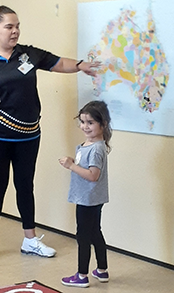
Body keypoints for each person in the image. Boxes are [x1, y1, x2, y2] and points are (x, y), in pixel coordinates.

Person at [0, 0, 100, 262]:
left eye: (17, 27)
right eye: (9, 27)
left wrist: (81, 65)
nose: (15, 32)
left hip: (28, 134)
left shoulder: (28, 54)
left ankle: (30, 240)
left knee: (25, 184)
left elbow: (57, 63)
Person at [59, 100, 112, 288]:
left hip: (88, 198)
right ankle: (102, 270)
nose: (85, 126)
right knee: (95, 232)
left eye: (90, 122)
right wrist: (75, 163)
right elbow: (87, 168)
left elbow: (92, 175)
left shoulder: (97, 148)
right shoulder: (88, 144)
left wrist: (71, 166)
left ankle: (81, 275)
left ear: (102, 124)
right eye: (82, 122)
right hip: (89, 197)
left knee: (83, 235)